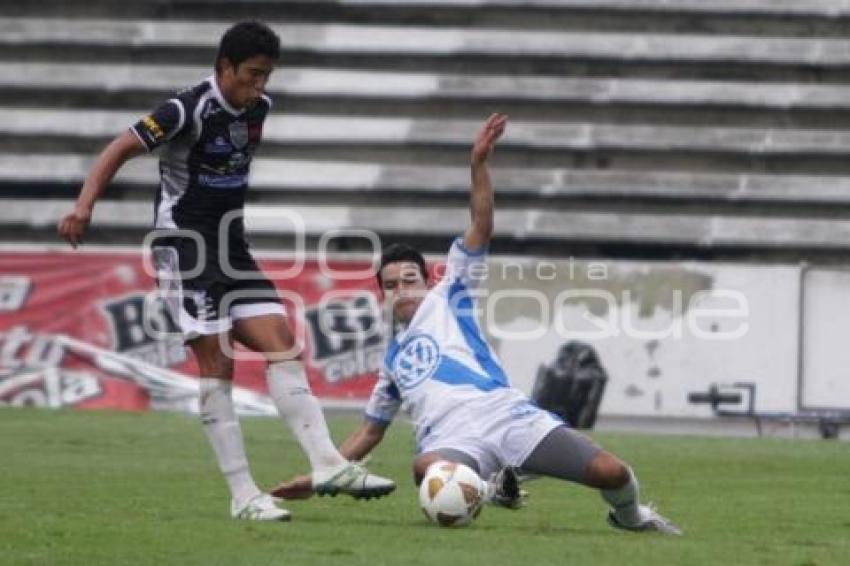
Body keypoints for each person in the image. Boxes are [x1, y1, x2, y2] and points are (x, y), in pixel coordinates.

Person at [273, 113, 681, 534]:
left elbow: (481, 225)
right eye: (391, 285)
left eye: (409, 279)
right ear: (383, 294)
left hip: (508, 417)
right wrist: (322, 476)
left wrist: (478, 166)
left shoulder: (452, 294)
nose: (402, 290)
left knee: (612, 473)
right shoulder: (391, 363)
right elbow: (368, 434)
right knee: (426, 469)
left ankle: (631, 518)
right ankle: (491, 487)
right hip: (451, 441)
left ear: (427, 279)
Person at [57, 20, 394, 522]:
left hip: (232, 244)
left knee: (283, 344)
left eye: (267, 76)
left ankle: (328, 463)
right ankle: (243, 495)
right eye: (252, 75)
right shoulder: (185, 108)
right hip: (185, 247)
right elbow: (118, 148)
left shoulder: (259, 108)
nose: (259, 86)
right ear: (225, 68)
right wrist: (84, 206)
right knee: (219, 366)